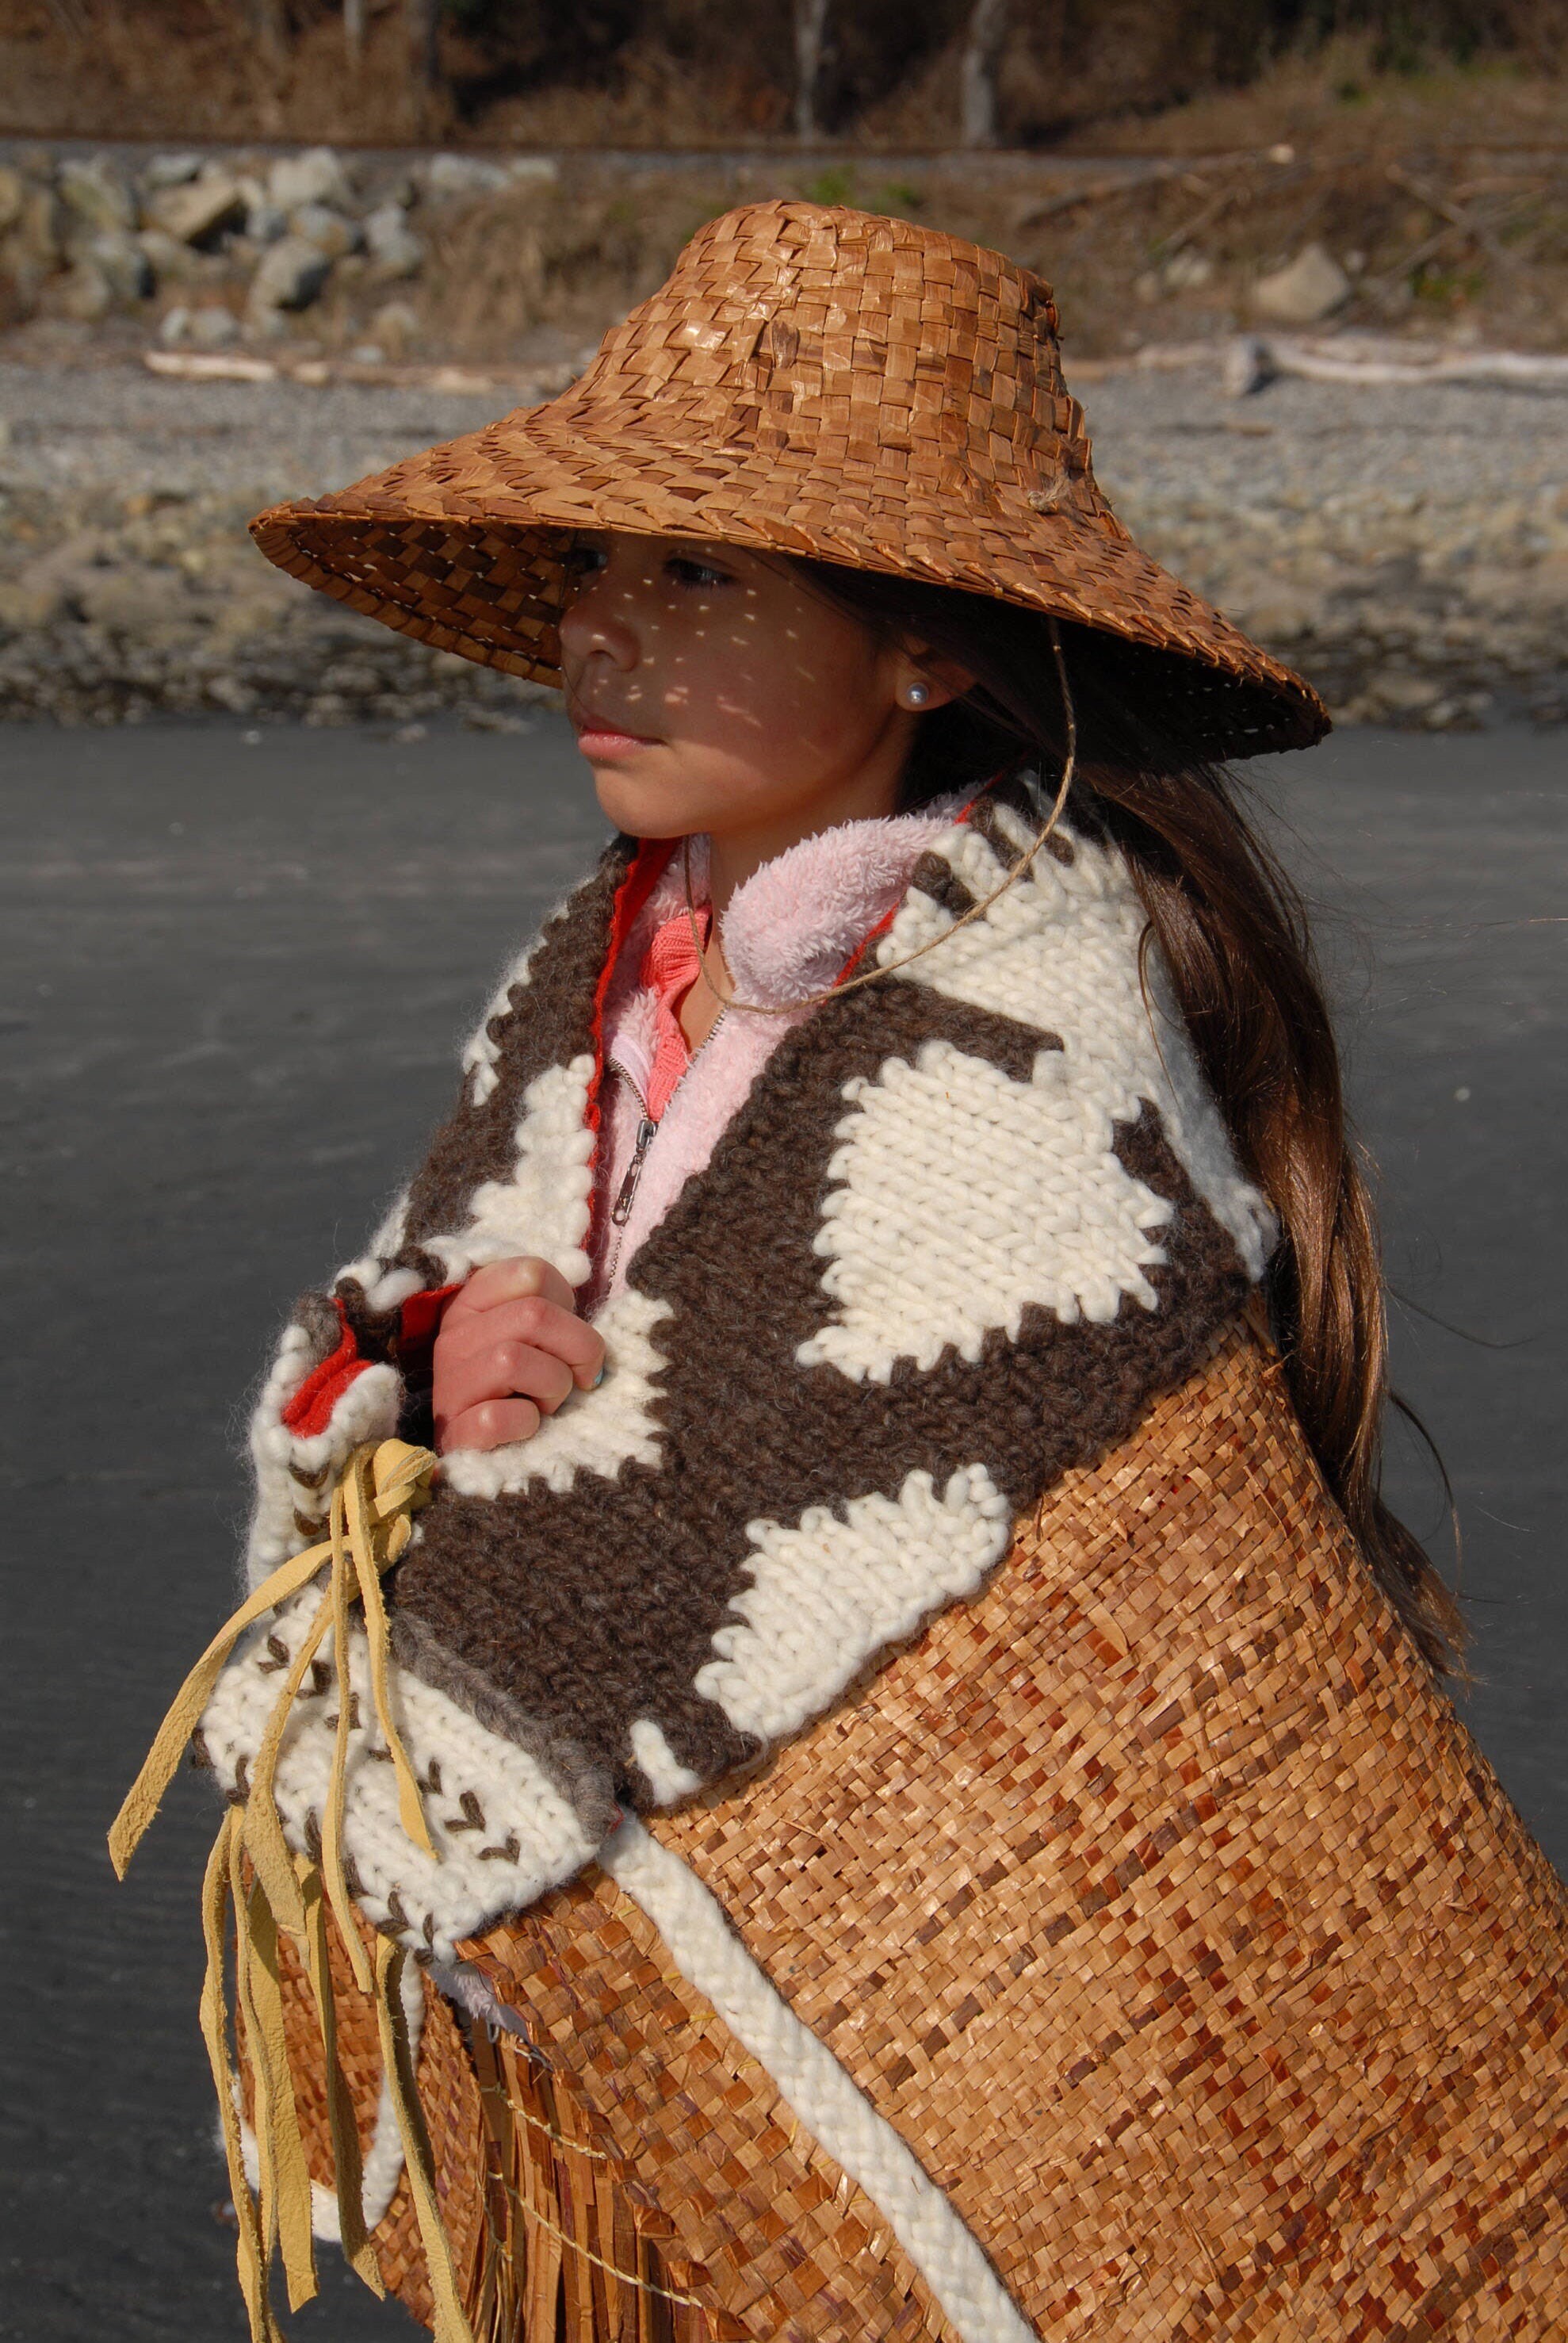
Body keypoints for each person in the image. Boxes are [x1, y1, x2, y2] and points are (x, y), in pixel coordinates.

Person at [114, 201, 1567, 2343]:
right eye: (592, 566)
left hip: (1009, 1970)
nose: (601, 631)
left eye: (696, 570)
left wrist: (495, 1515)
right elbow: (384, 1339)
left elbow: (761, 1496)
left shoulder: (1030, 1042)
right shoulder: (594, 973)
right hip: (636, 2058)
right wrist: (424, 1360)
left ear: (924, 644)